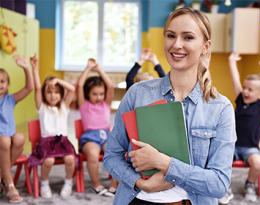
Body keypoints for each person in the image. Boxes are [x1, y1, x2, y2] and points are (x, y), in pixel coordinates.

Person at [104, 7, 236, 205]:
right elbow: (111, 156)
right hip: (135, 199)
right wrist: (141, 183)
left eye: (188, 37)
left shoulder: (220, 108)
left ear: (205, 46)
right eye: (170, 36)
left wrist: (164, 163)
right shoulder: (137, 93)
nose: (177, 44)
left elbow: (219, 183)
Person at [219, 53, 260, 203]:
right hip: (232, 143)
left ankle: (250, 184)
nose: (245, 91)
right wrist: (232, 61)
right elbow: (235, 80)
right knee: (220, 159)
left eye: (250, 90)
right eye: (245, 88)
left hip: (250, 148)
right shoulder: (240, 99)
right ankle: (224, 186)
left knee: (258, 163)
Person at [28, 54, 77, 198]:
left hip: (63, 141)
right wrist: (34, 68)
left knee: (70, 159)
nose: (53, 95)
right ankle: (44, 182)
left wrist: (58, 81)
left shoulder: (64, 106)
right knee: (49, 161)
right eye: (49, 92)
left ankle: (68, 182)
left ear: (61, 94)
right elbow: (37, 87)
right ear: (44, 94)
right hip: (46, 143)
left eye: (56, 92)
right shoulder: (42, 107)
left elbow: (72, 90)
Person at [77, 58, 117, 196]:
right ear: (88, 93)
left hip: (106, 134)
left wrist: (99, 69)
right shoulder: (84, 105)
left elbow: (110, 86)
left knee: (115, 153)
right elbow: (80, 85)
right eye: (95, 94)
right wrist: (88, 68)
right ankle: (96, 184)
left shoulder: (105, 104)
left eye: (101, 94)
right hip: (90, 137)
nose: (99, 97)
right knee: (93, 155)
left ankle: (114, 185)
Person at [0, 56, 33, 203]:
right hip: (2, 140)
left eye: (2, 81)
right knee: (5, 141)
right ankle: (10, 185)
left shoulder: (10, 99)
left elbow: (29, 88)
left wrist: (26, 68)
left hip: (8, 137)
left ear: (7, 84)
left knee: (19, 138)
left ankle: (2, 176)